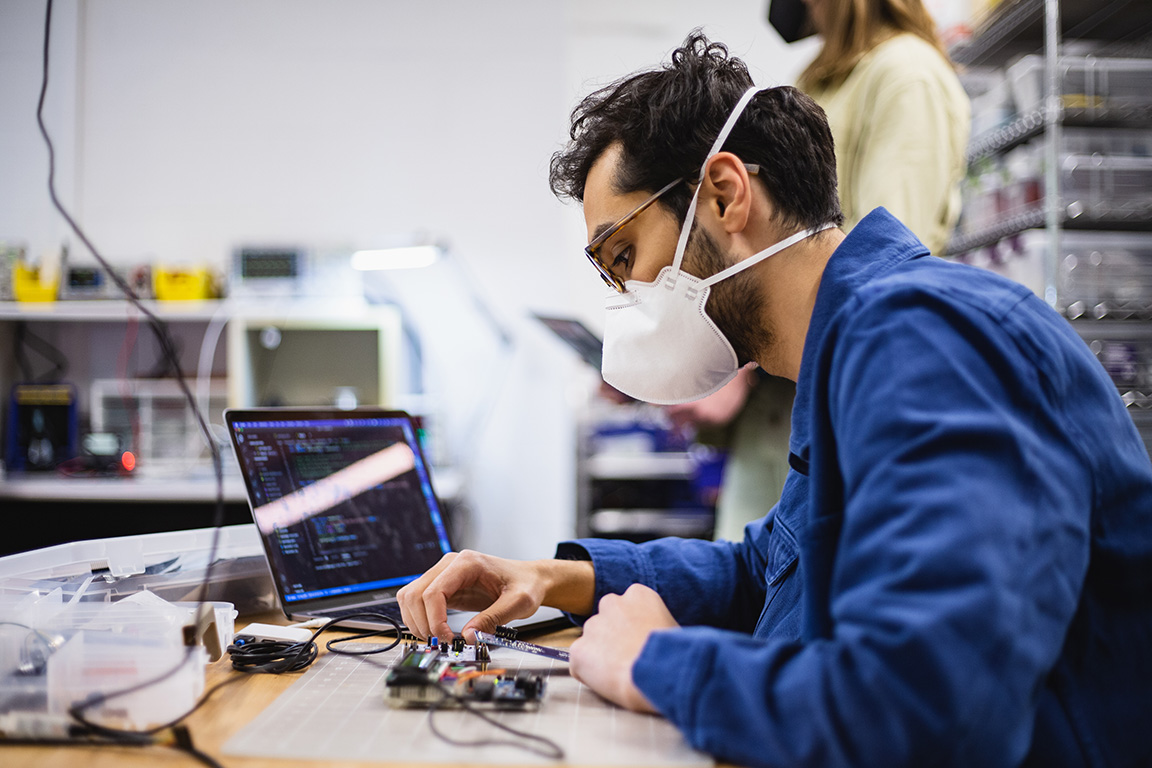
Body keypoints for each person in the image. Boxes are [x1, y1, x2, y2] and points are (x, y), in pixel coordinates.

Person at [398, 32, 1152, 768]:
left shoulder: (920, 338)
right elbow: (768, 571)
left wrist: (658, 663)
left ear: (726, 195)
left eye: (625, 257)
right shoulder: (843, 352)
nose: (627, 301)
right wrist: (553, 579)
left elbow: (926, 708)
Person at [678, 0, 972, 543]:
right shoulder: (822, 78)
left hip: (840, 391)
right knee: (756, 584)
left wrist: (736, 369)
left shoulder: (907, 74)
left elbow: (885, 257)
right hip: (780, 401)